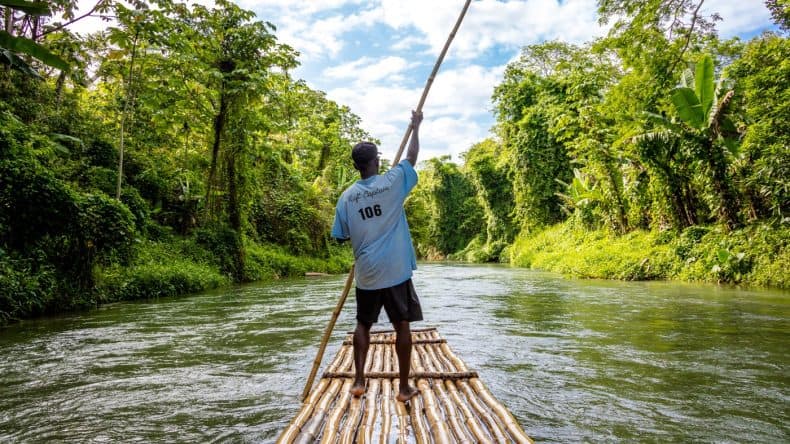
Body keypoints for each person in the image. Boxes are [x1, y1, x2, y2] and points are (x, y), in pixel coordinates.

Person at [331, 110, 424, 403]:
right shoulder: (392, 182)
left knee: (363, 324)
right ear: (375, 162)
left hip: (367, 272)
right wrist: (415, 127)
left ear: (357, 166)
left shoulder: (346, 197)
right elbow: (411, 158)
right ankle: (404, 387)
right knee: (402, 325)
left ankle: (359, 381)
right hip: (395, 270)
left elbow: (341, 235)